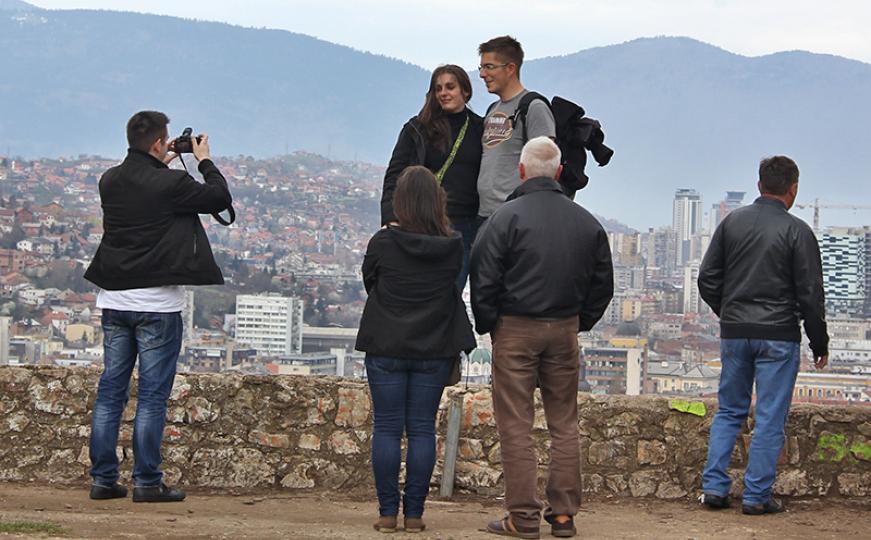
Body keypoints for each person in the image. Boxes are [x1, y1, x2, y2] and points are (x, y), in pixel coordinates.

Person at [84, 111, 232, 503]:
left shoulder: (109, 180)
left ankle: (103, 479)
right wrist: (203, 160)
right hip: (157, 305)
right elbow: (219, 198)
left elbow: (142, 193)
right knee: (151, 396)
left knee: (110, 391)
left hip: (113, 300)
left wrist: (157, 162)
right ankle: (147, 482)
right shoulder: (172, 183)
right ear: (157, 143)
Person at [470, 137, 613, 539]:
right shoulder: (587, 222)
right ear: (560, 172)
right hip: (564, 328)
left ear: (520, 171)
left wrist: (492, 325)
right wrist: (580, 321)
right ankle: (564, 515)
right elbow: (603, 284)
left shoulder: (504, 218)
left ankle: (523, 517)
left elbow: (482, 277)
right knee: (564, 423)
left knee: (516, 424)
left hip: (514, 328)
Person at [698, 155, 828, 515]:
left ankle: (714, 487)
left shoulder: (731, 224)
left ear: (759, 185)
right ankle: (756, 497)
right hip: (779, 334)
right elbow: (810, 294)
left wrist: (729, 313)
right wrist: (820, 342)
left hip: (736, 332)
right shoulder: (798, 231)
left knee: (729, 411)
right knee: (770, 416)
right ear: (794, 189)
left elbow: (707, 278)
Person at [357, 166, 476, 533]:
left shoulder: (382, 243)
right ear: (437, 201)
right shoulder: (453, 245)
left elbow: (370, 282)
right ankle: (415, 514)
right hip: (434, 347)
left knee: (388, 428)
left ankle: (387, 512)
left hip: (387, 344)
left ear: (401, 202)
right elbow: (453, 286)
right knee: (423, 429)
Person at [381, 65, 483, 290]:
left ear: (465, 91)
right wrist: (390, 217)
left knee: (450, 293)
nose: (443, 93)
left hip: (463, 224)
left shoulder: (480, 129)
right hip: (421, 222)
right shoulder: (417, 129)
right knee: (419, 290)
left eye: (450, 87)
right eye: (438, 89)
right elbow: (394, 175)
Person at [476, 36, 556, 222]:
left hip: (517, 215)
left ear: (510, 68)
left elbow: (545, 165)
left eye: (489, 67)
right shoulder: (492, 110)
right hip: (485, 214)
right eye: (482, 67)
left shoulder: (533, 107)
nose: (482, 74)